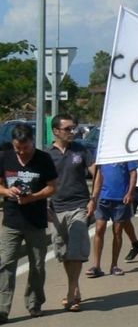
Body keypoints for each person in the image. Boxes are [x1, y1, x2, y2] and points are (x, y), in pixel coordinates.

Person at [0, 123, 58, 322]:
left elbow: (52, 187)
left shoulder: (43, 159)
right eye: (18, 148)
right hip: (11, 220)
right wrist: (8, 192)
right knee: (6, 264)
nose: (22, 152)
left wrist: (32, 197)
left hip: (35, 220)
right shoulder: (5, 157)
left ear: (32, 141)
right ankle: (2, 309)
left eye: (25, 148)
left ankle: (34, 304)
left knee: (38, 265)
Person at [47, 114, 96, 312]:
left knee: (76, 251)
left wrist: (94, 199)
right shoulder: (47, 155)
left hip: (79, 206)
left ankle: (71, 293)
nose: (72, 132)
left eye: (74, 128)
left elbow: (96, 172)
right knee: (65, 253)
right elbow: (40, 182)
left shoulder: (81, 149)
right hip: (56, 208)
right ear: (56, 131)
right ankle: (74, 289)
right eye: (68, 129)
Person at [86, 160, 138, 278]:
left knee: (118, 231)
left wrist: (130, 193)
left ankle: (114, 265)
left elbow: (133, 173)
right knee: (99, 229)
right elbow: (98, 173)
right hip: (103, 198)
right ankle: (96, 266)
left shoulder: (125, 152)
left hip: (121, 198)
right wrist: (94, 197)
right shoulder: (104, 151)